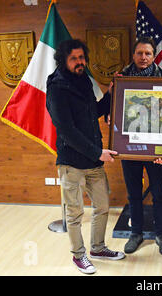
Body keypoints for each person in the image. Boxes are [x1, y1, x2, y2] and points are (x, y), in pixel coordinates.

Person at [46, 39, 125, 275]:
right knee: (75, 212)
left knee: (102, 206)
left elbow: (95, 112)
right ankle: (78, 256)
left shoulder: (84, 81)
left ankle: (98, 248)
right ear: (63, 60)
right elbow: (66, 130)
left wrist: (112, 92)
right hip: (71, 162)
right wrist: (97, 152)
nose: (80, 62)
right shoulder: (57, 88)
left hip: (93, 160)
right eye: (74, 58)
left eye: (82, 57)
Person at [118, 36, 162, 257]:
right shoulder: (121, 79)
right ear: (133, 55)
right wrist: (113, 92)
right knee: (134, 193)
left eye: (148, 53)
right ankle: (136, 233)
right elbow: (112, 113)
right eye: (139, 53)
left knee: (159, 192)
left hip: (156, 148)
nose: (143, 57)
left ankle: (161, 234)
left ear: (154, 56)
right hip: (130, 146)